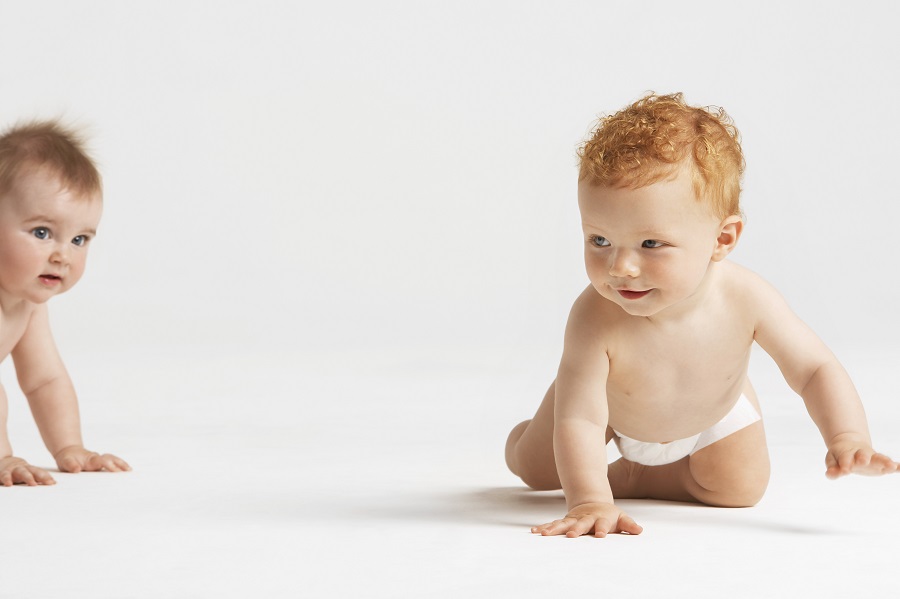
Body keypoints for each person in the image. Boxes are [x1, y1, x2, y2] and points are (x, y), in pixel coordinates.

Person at [504, 93, 898, 538]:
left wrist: (846, 436)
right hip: (606, 409)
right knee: (538, 471)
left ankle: (638, 478)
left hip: (712, 411)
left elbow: (813, 368)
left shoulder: (747, 298)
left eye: (651, 244)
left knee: (740, 488)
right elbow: (581, 420)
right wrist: (589, 500)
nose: (619, 268)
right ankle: (536, 449)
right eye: (599, 240)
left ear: (722, 239)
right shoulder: (595, 316)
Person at [0, 120, 130, 486]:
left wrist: (70, 448)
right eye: (42, 233)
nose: (62, 255)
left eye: (79, 239)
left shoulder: (27, 303)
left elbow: (45, 379)